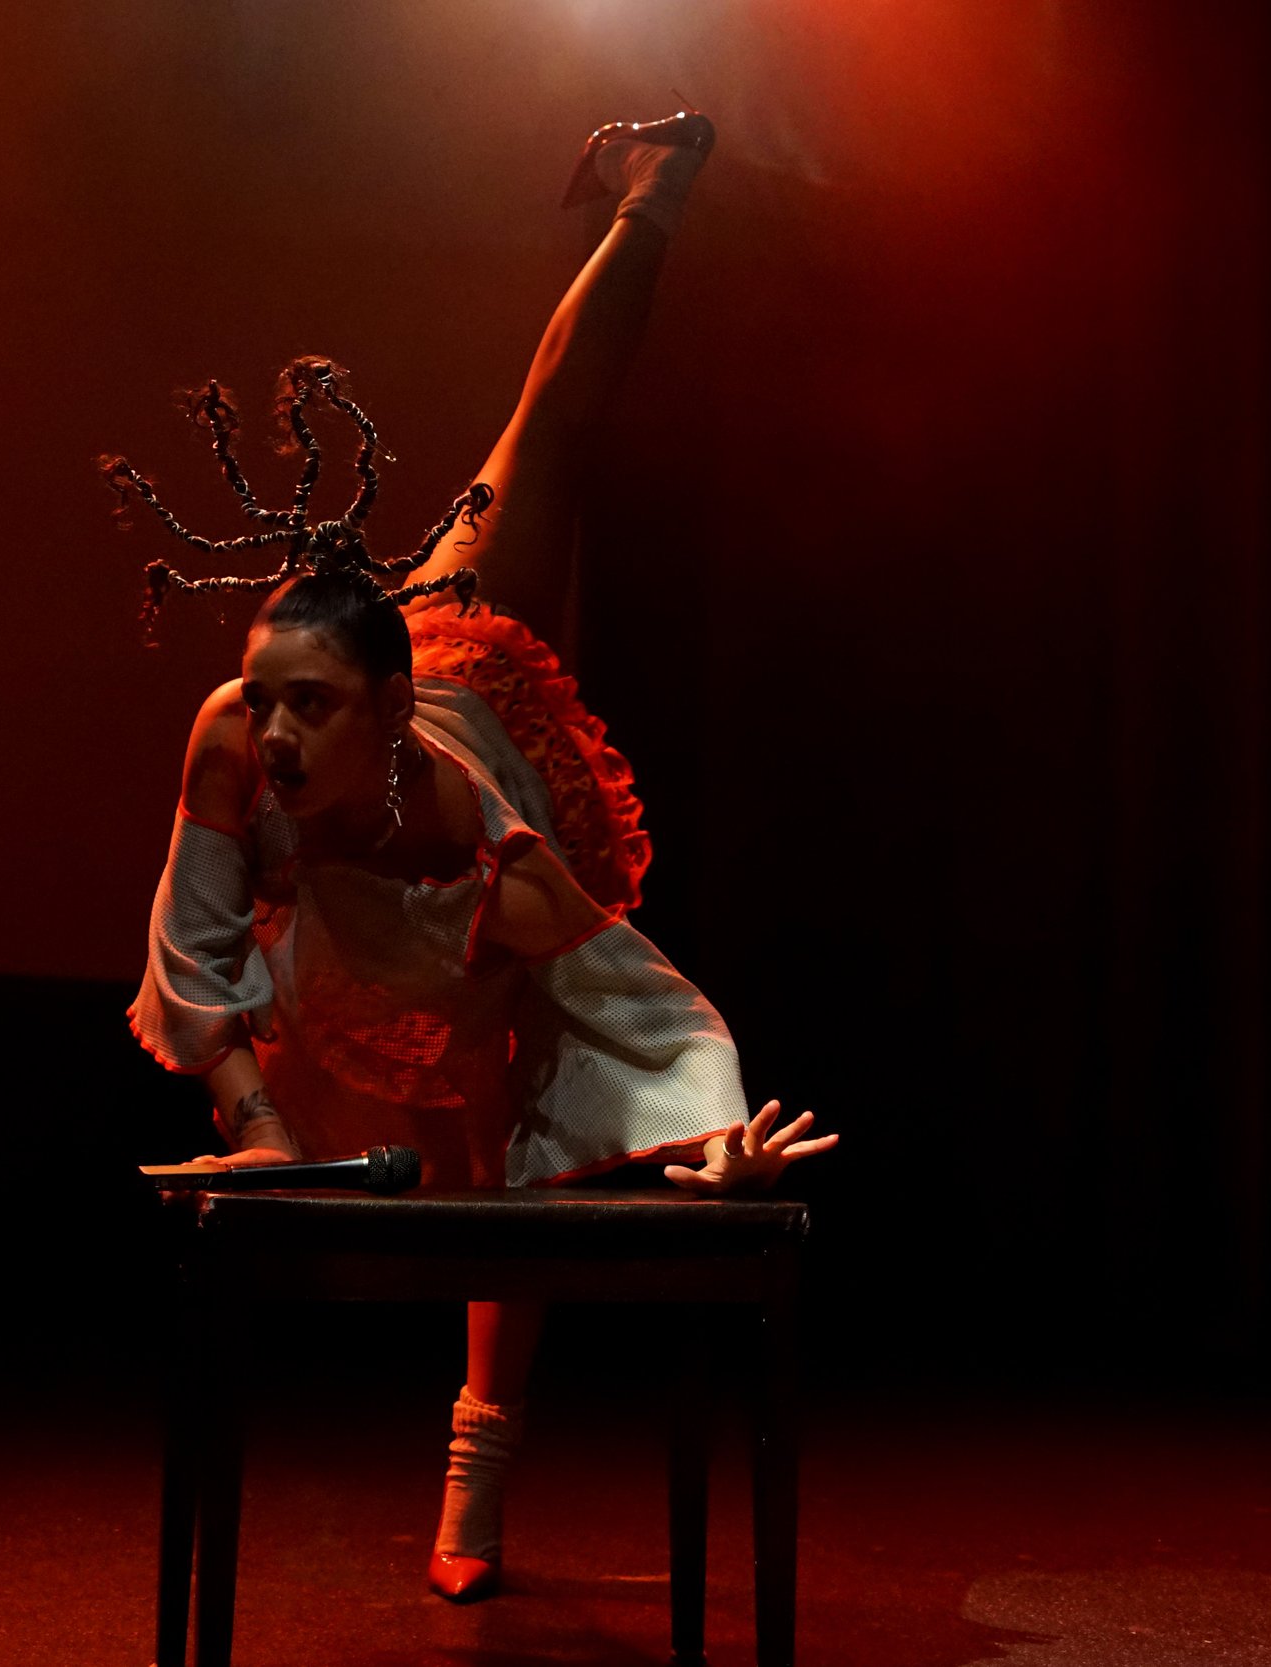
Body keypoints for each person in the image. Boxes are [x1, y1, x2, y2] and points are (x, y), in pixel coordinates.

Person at [112, 111, 838, 1605]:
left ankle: (659, 184)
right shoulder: (236, 737)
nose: (274, 735)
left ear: (382, 711)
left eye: (310, 707)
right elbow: (191, 952)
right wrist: (257, 1125)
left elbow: (636, 1013)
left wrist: (710, 1146)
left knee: (546, 423)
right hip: (333, 914)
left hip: (467, 817)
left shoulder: (489, 849)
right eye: (263, 698)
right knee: (350, 1104)